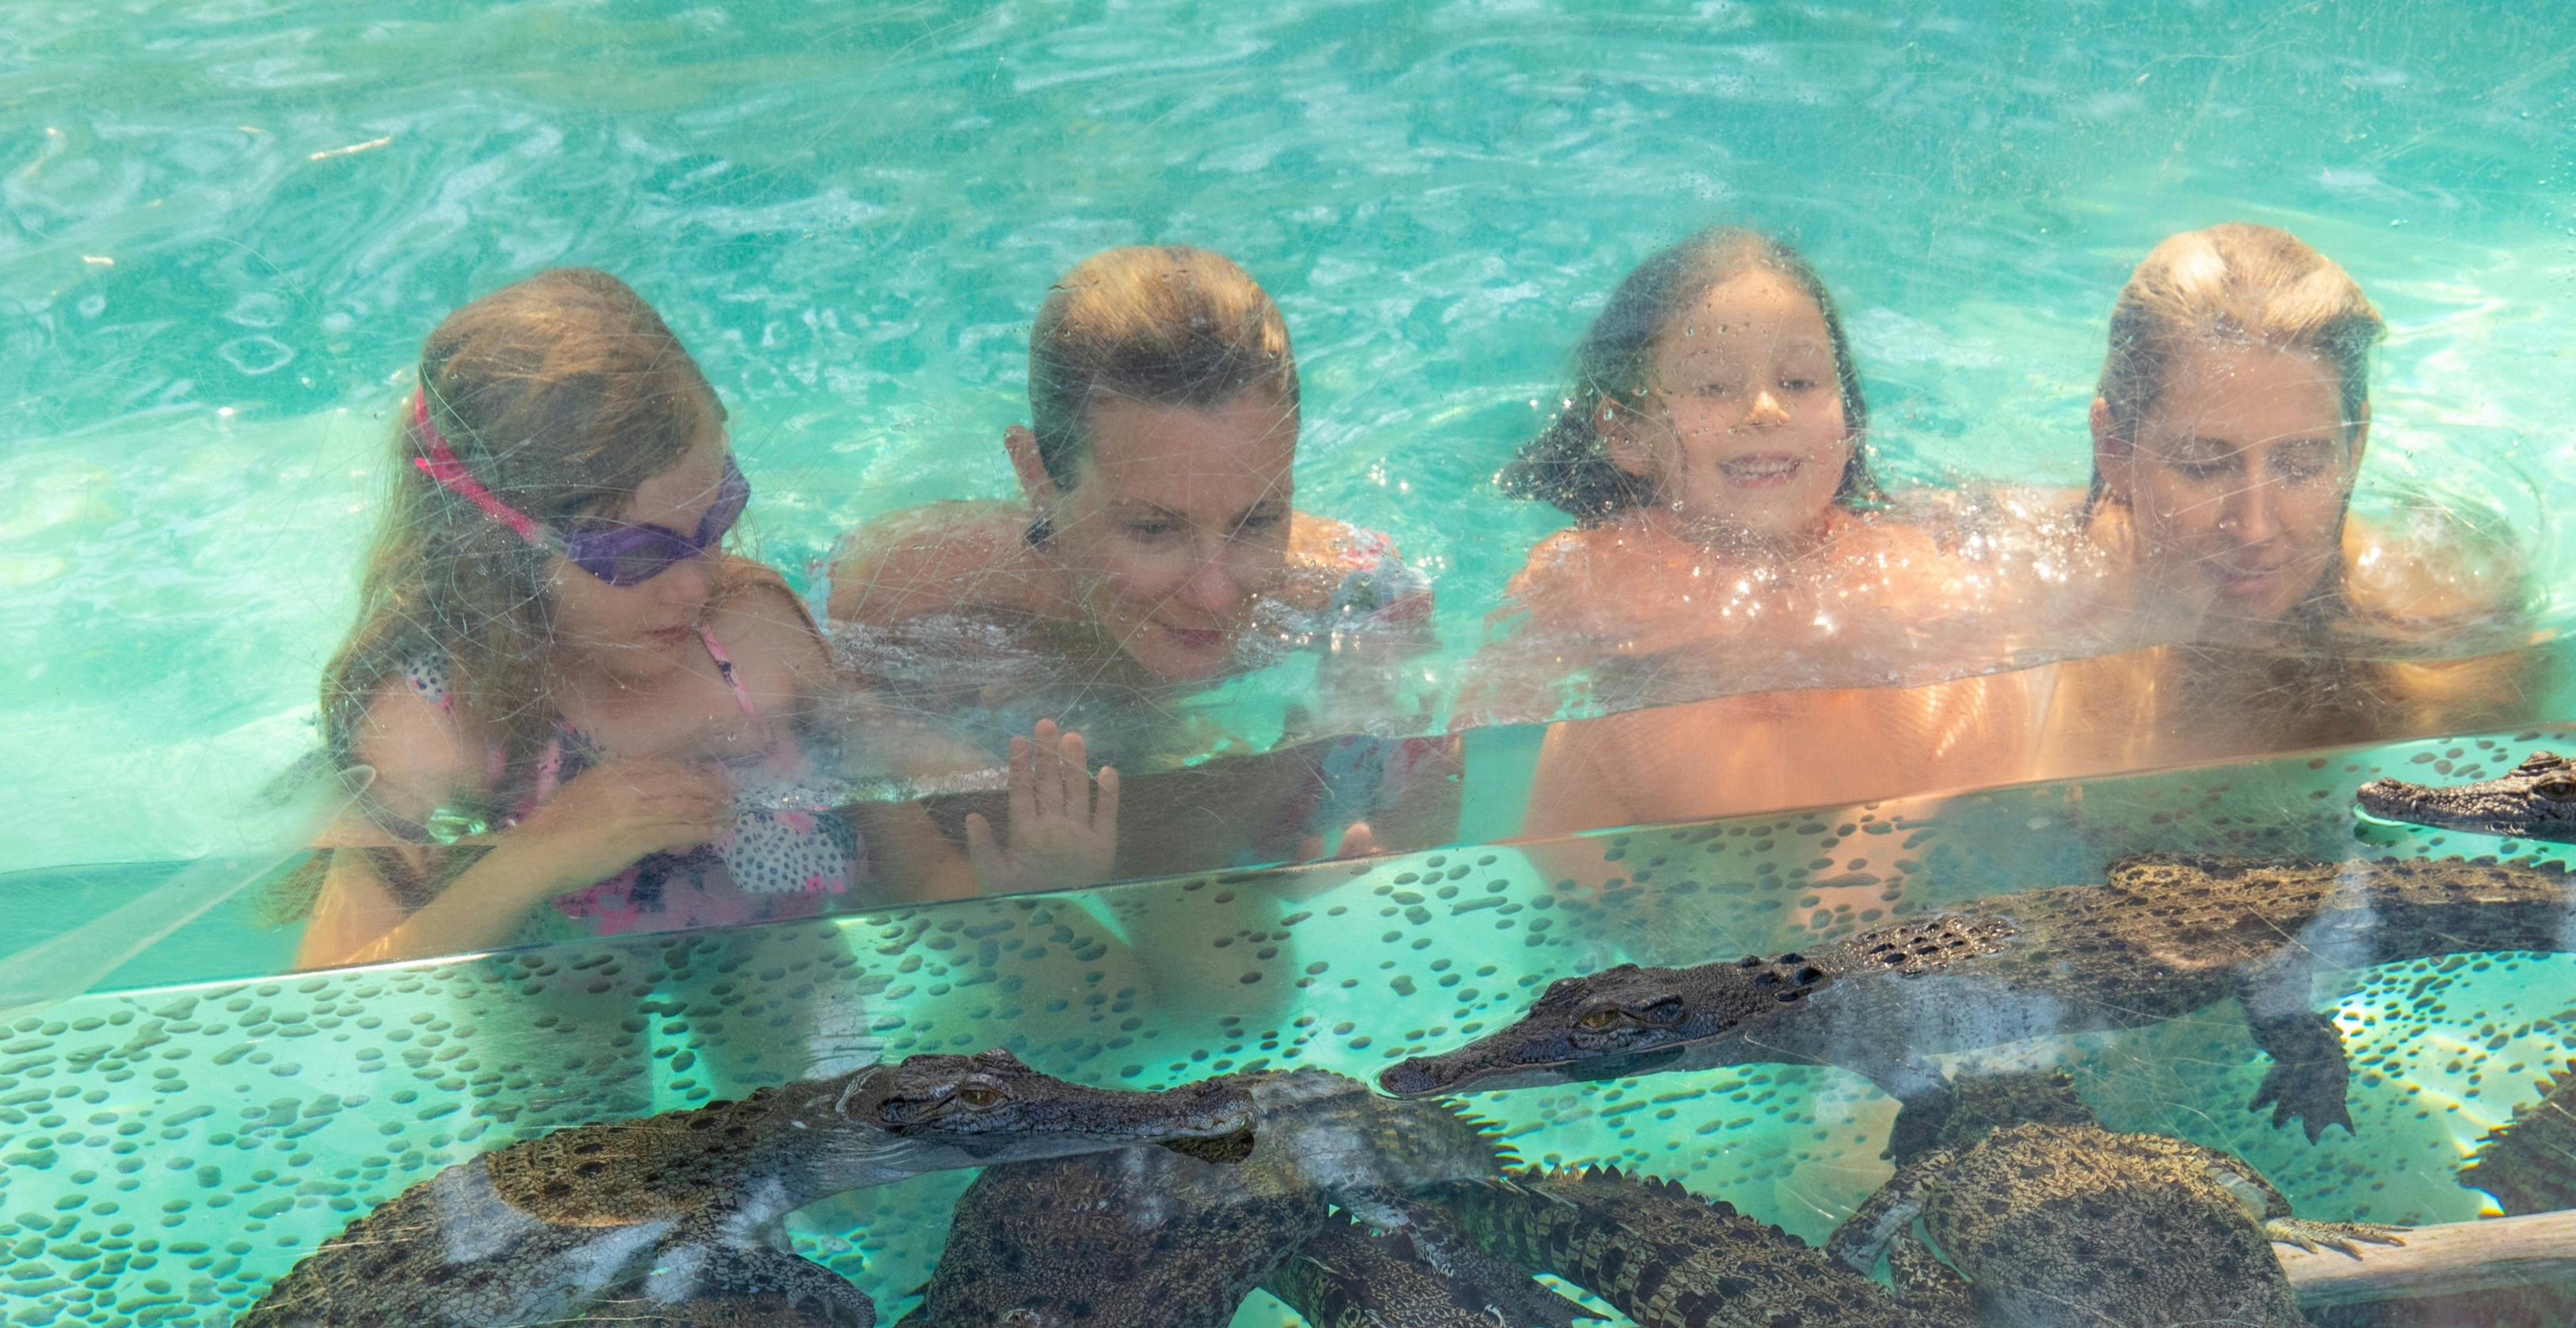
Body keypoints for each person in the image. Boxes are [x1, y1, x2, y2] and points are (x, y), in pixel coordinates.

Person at [292, 268, 1113, 972]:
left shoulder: (754, 644)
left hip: (779, 975)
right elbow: (326, 998)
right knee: (573, 1018)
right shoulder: (436, 724)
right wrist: (530, 861)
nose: (694, 586)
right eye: (639, 557)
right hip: (563, 1005)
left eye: (716, 520)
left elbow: (920, 880)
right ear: (493, 550)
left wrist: (1028, 883)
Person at [1469, 226, 2022, 835]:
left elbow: (1997, 689)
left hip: (1899, 847)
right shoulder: (1588, 574)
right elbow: (1483, 726)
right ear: (1627, 433)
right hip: (1644, 859)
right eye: (1713, 387)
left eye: (1799, 382)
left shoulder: (1905, 565)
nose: (1766, 410)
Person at [826, 245, 1435, 759]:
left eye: (1258, 520)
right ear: (1036, 474)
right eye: (1152, 530)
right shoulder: (906, 596)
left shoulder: (1350, 595)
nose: (1216, 592)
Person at [2002, 222, 2543, 774]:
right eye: (2203, 466)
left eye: (2300, 466)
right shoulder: (2008, 636)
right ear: (2114, 447)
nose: (2254, 526)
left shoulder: (2451, 638)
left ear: (2355, 448)